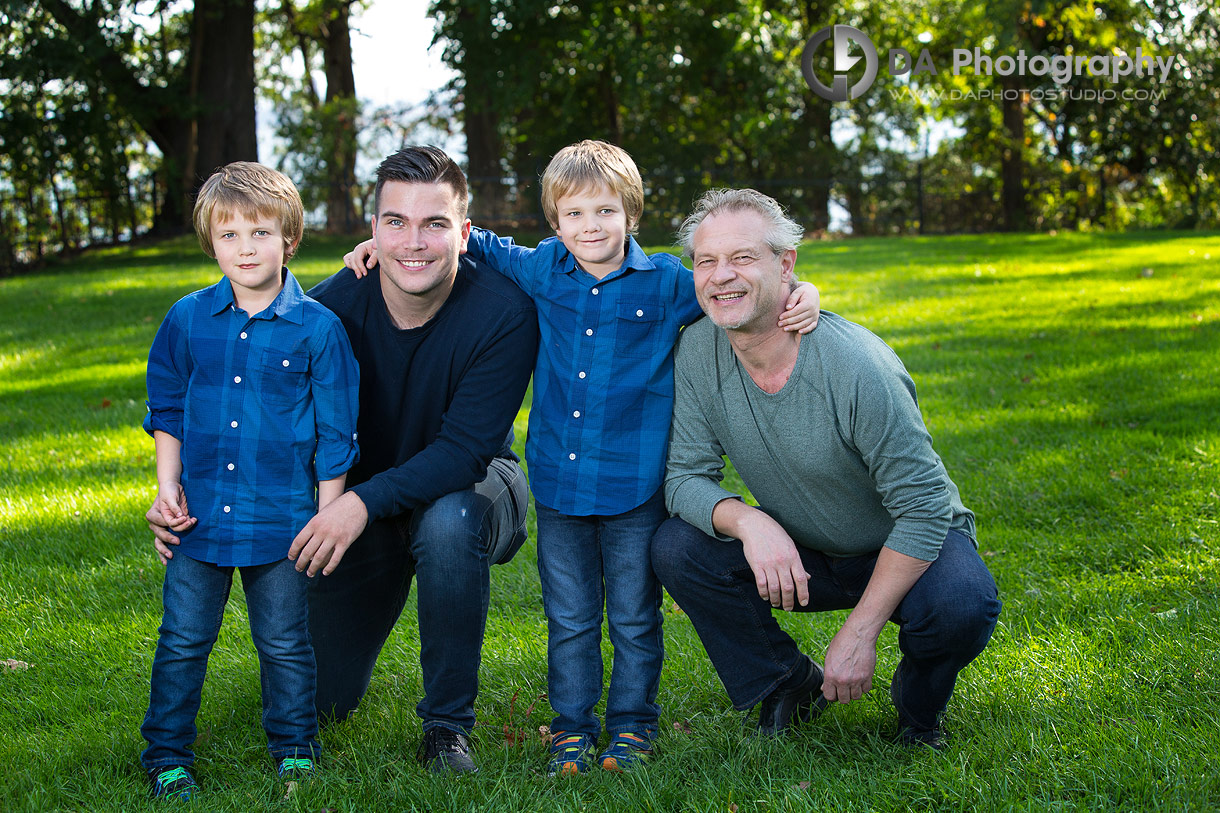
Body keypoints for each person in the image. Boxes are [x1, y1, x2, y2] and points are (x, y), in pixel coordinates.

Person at [344, 140, 821, 775]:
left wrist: (803, 289)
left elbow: (736, 290)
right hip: (561, 490)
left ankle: (631, 727)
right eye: (573, 215)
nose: (590, 229)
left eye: (605, 213)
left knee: (631, 617)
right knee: (567, 617)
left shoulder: (669, 285)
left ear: (631, 214)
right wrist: (385, 244)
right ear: (554, 221)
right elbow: (467, 240)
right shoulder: (542, 271)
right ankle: (570, 728)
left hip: (635, 490)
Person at [149, 147, 539, 775]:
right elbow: (252, 410)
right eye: (396, 223)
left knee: (448, 522)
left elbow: (464, 451)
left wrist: (353, 505)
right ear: (373, 229)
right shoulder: (329, 312)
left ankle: (446, 728)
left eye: (434, 224)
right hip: (360, 497)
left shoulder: (505, 313)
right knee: (318, 698)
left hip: (471, 484)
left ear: (464, 234)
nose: (414, 242)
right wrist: (187, 496)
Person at [652, 188, 1001, 750]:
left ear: (785, 263)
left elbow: (926, 508)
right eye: (706, 261)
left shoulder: (856, 366)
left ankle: (918, 712)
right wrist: (750, 523)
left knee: (961, 604)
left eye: (742, 258)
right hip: (806, 549)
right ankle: (788, 682)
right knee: (677, 546)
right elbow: (683, 477)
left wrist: (860, 631)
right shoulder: (697, 352)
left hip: (905, 547)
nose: (721, 276)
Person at [140, 162, 360, 800]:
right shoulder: (187, 320)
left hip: (282, 519)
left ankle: (294, 748)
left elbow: (335, 432)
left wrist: (327, 516)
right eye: (229, 234)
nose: (245, 247)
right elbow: (168, 412)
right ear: (211, 241)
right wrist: (166, 488)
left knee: (285, 642)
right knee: (183, 639)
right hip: (201, 515)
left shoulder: (318, 328)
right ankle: (165, 754)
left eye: (260, 232)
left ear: (288, 239)